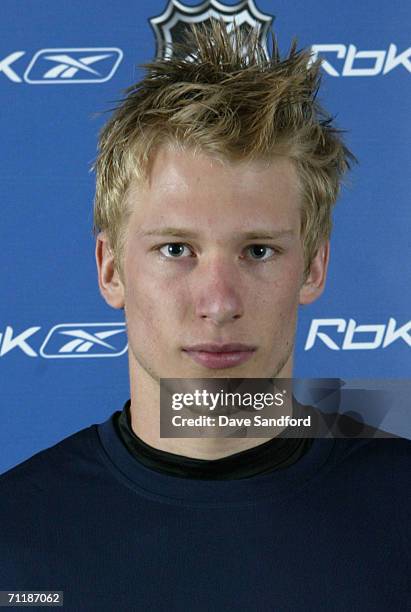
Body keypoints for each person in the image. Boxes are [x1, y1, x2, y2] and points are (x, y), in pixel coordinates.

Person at [0, 22, 409, 612]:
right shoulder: (13, 533)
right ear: (111, 269)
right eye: (176, 250)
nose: (219, 302)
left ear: (314, 268)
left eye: (258, 251)